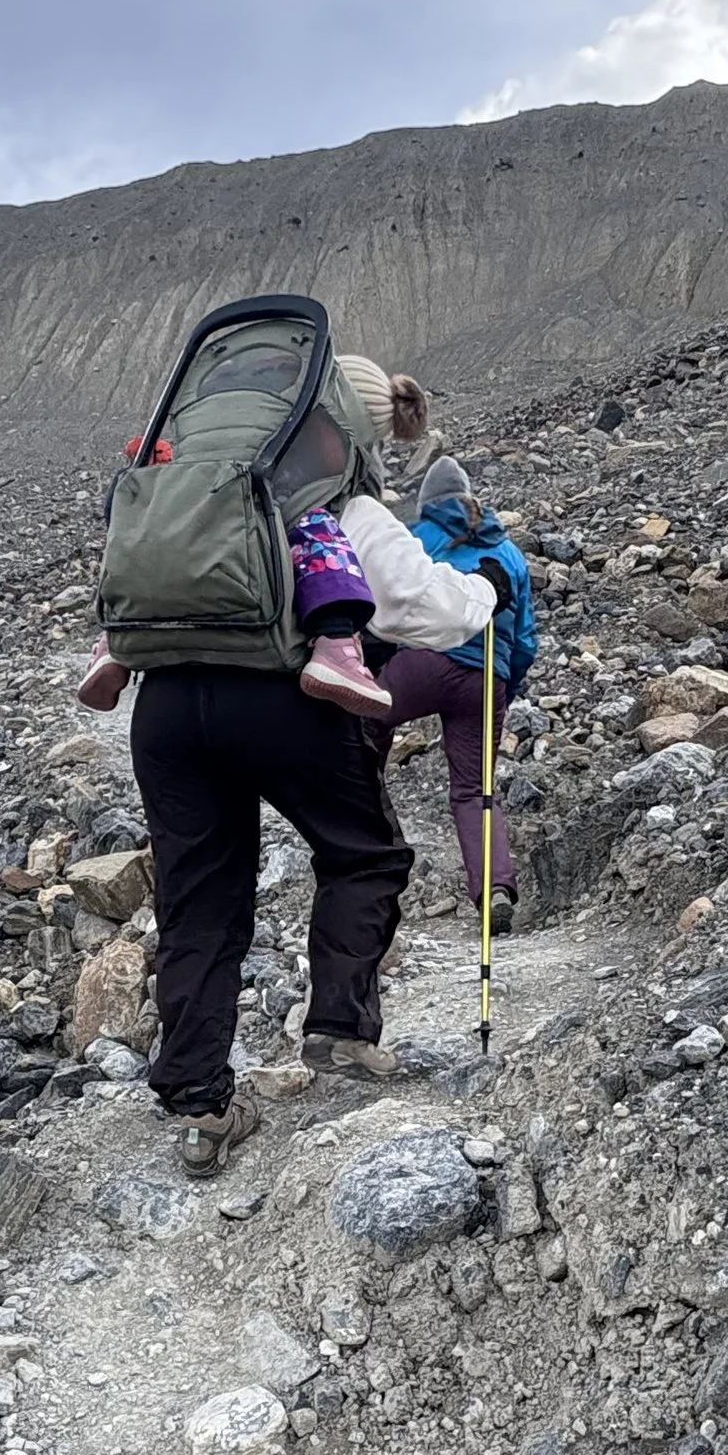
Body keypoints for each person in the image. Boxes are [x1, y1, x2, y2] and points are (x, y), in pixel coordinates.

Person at [128, 355, 495, 1171]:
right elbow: (425, 609)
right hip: (281, 699)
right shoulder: (337, 503)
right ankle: (337, 1026)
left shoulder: (199, 485)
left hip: (164, 707)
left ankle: (199, 1101)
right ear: (351, 431)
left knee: (200, 900)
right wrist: (485, 596)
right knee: (364, 853)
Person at [370, 451, 539, 934]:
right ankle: (496, 889)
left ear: (427, 502)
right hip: (487, 677)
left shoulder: (417, 538)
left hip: (424, 662)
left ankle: (371, 835)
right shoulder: (508, 552)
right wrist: (506, 684)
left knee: (361, 720)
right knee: (474, 790)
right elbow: (525, 637)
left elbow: (387, 598)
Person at [76, 494, 388, 716]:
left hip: (165, 697)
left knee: (147, 537)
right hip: (269, 686)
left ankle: (115, 641)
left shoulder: (182, 426)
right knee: (314, 525)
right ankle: (335, 641)